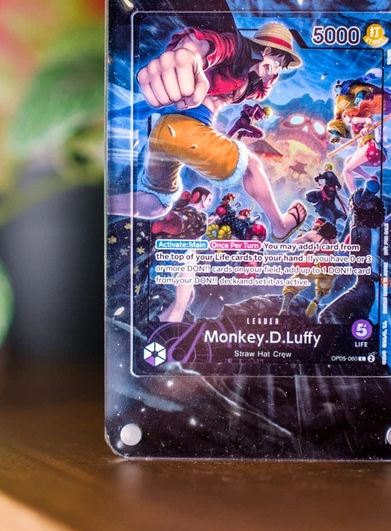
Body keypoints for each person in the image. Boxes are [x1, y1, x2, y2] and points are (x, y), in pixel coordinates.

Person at [109, 21, 306, 241]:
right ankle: (280, 225)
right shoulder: (237, 50)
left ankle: (104, 205)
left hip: (165, 132)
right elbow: (208, 45)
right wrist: (188, 55)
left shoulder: (253, 82)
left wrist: (267, 71)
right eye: (277, 62)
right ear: (266, 50)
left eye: (281, 67)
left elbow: (260, 93)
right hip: (185, 130)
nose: (276, 71)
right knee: (251, 166)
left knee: (156, 203)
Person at [151, 186, 213, 324]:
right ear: (202, 197)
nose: (210, 203)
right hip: (186, 256)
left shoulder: (182, 209)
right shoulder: (201, 216)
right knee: (181, 305)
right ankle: (170, 331)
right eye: (209, 199)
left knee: (189, 296)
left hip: (170, 254)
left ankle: (159, 322)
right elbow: (198, 240)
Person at [279, 218, 338, 320]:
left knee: (291, 286)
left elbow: (294, 244)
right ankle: (316, 300)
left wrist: (300, 238)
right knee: (323, 287)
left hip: (313, 266)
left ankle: (284, 308)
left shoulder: (312, 235)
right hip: (327, 268)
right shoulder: (334, 241)